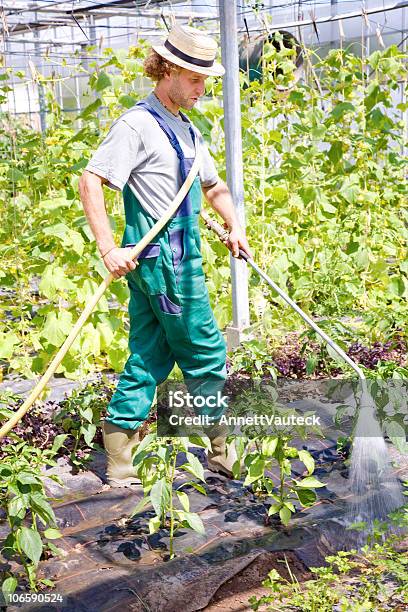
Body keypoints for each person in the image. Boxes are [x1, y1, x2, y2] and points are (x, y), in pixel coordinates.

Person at [79, 24, 252, 487]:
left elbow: (213, 186)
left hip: (173, 260)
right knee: (206, 352)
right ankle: (223, 449)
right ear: (170, 70)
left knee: (149, 355)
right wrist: (108, 248)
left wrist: (234, 226)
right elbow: (91, 180)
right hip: (166, 264)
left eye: (206, 81)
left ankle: (119, 459)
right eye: (195, 79)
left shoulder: (187, 128)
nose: (202, 89)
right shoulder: (136, 124)